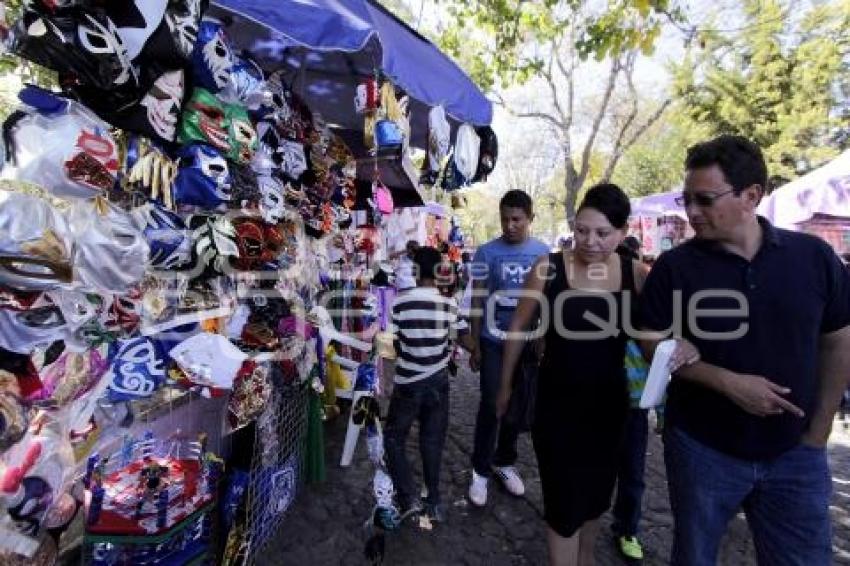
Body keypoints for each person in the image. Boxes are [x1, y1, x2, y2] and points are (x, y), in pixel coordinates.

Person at [640, 135, 850, 565]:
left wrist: (819, 430)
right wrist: (726, 382)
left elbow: (838, 339)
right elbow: (647, 339)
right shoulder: (675, 267)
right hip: (702, 448)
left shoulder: (813, 258)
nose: (691, 212)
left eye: (704, 199)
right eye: (686, 199)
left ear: (751, 195)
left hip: (796, 455)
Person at [495, 184, 686, 566]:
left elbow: (654, 339)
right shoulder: (548, 268)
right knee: (563, 500)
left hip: (610, 408)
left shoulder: (636, 274)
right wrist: (504, 387)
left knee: (598, 496)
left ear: (621, 232)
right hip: (556, 406)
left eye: (602, 233)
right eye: (582, 230)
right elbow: (518, 327)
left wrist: (679, 347)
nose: (590, 241)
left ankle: (586, 558)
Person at [467, 189, 549, 506]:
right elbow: (476, 298)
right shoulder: (486, 253)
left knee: (516, 406)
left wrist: (542, 338)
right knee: (491, 405)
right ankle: (479, 471)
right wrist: (474, 342)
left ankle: (504, 462)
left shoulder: (543, 253)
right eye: (504, 219)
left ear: (530, 218)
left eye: (516, 219)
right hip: (492, 341)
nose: (510, 225)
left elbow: (545, 302)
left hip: (527, 346)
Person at [383, 247, 465, 524]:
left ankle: (408, 498)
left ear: (417, 271)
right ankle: (434, 502)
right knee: (432, 442)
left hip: (408, 382)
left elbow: (394, 342)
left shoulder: (400, 303)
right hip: (438, 381)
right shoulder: (450, 304)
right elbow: (456, 339)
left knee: (394, 439)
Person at [611, 234, 651, 561]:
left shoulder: (642, 278)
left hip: (633, 395)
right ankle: (622, 528)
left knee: (632, 471)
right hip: (596, 394)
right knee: (624, 470)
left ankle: (626, 528)